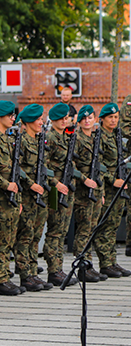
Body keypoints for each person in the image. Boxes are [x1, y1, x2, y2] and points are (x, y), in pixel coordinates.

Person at [0, 101, 24, 296]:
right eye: (9, 115)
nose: (13, 118)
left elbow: (16, 171)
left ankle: (4, 276)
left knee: (9, 238)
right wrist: (4, 184)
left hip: (11, 198)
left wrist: (19, 197)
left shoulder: (8, 139)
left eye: (13, 115)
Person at [12, 104, 53, 292]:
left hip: (40, 195)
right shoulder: (21, 142)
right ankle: (25, 275)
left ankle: (32, 271)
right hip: (27, 195)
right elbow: (16, 168)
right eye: (38, 120)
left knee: (36, 235)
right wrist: (30, 184)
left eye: (41, 119)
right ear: (28, 121)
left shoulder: (39, 141)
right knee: (25, 235)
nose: (41, 122)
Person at [92, 103, 131, 277]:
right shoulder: (100, 137)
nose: (114, 120)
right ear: (102, 119)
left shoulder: (116, 135)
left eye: (116, 117)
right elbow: (97, 165)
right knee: (105, 225)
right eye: (110, 117)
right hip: (107, 187)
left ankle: (112, 261)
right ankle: (105, 263)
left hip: (119, 185)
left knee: (114, 225)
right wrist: (112, 180)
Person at [42, 103, 77, 286]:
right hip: (55, 190)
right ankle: (53, 270)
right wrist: (56, 183)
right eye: (61, 119)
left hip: (67, 188)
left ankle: (59, 268)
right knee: (55, 230)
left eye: (66, 118)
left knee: (62, 230)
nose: (65, 121)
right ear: (54, 120)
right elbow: (45, 167)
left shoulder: (65, 137)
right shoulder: (50, 138)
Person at [71, 105, 106, 282]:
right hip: (82, 192)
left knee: (92, 228)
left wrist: (101, 192)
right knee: (84, 228)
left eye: (90, 117)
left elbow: (100, 168)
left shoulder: (94, 139)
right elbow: (72, 166)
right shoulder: (75, 139)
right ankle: (82, 265)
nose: (87, 120)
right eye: (84, 118)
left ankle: (89, 264)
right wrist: (84, 179)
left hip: (96, 190)